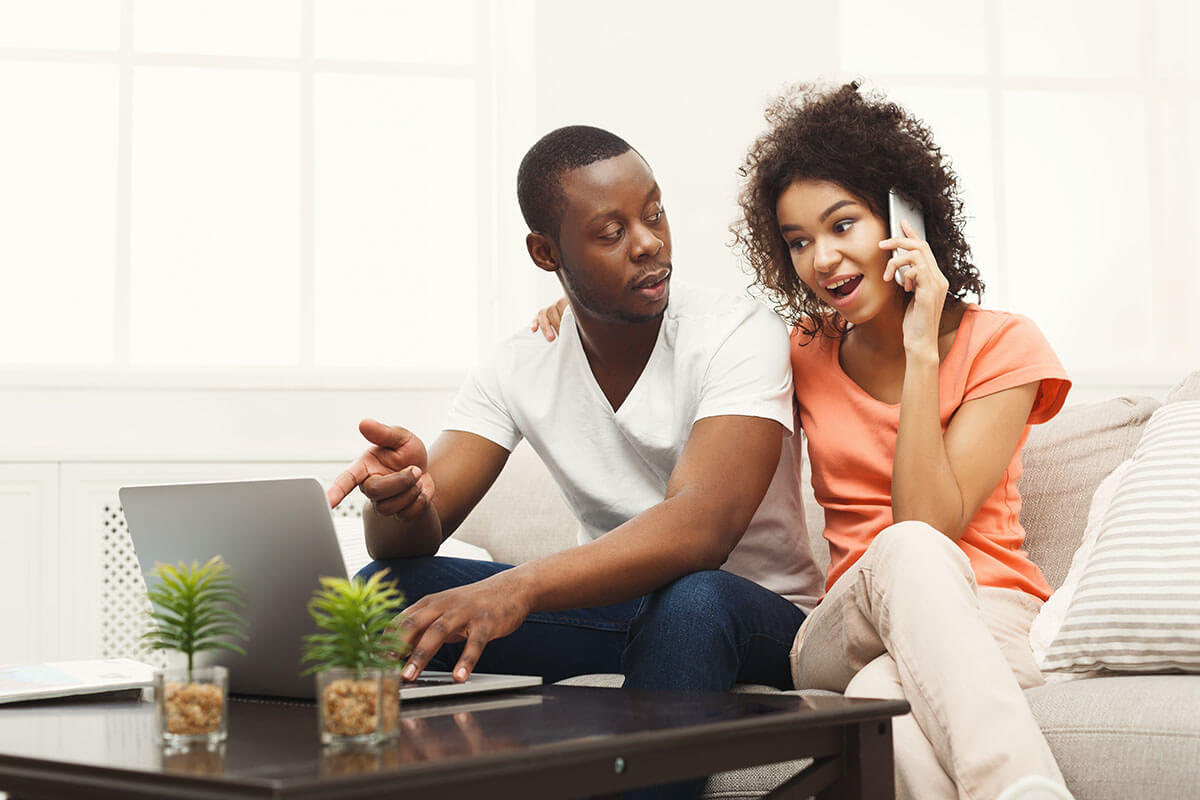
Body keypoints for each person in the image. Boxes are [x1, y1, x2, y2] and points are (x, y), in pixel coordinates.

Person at [327, 125, 824, 703]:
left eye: (655, 214)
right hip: (619, 611)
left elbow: (702, 528)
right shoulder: (520, 365)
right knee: (383, 591)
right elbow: (407, 541)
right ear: (546, 253)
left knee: (694, 598)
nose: (648, 243)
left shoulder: (737, 333)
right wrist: (399, 498)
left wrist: (522, 586)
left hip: (753, 616)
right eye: (612, 232)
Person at [732, 82, 1074, 800]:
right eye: (799, 241)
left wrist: (924, 349)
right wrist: (585, 314)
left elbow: (931, 521)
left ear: (903, 216)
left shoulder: (1004, 346)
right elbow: (689, 354)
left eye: (842, 225)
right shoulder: (800, 349)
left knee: (882, 696)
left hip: (991, 612)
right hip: (846, 619)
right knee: (902, 555)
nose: (822, 259)